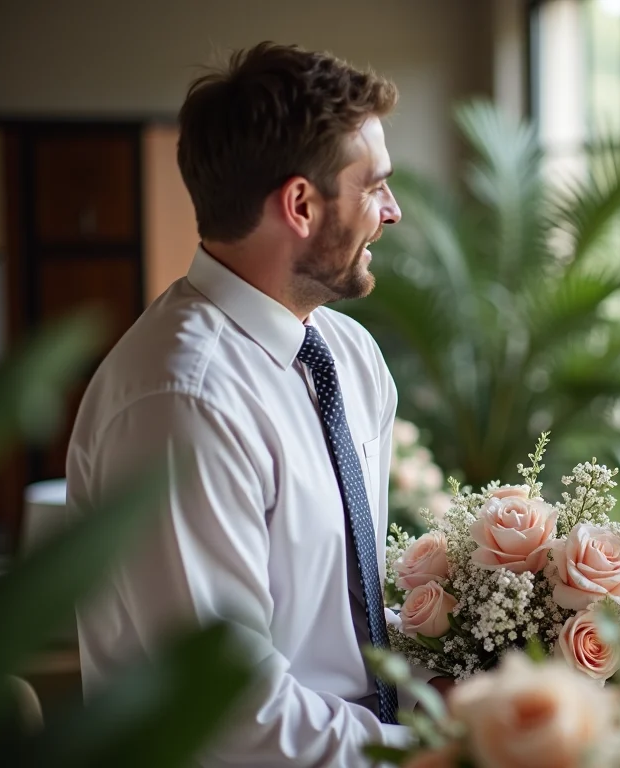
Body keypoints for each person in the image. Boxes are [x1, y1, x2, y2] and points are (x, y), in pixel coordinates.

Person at [67, 42, 438, 766]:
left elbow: (341, 618)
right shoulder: (182, 403)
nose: (392, 212)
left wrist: (475, 680)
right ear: (300, 205)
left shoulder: (351, 356)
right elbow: (233, 719)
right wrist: (447, 751)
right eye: (375, 187)